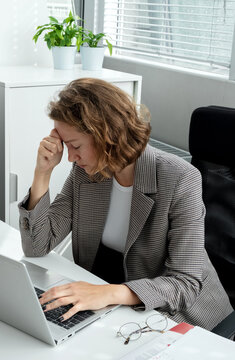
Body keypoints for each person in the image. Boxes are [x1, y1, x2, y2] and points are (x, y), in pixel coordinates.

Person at [18, 78, 233, 330]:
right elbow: (37, 246)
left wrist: (108, 293)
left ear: (107, 136)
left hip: (182, 317)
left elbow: (185, 283)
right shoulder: (85, 172)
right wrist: (42, 173)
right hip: (118, 309)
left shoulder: (179, 178)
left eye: (75, 146)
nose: (70, 157)